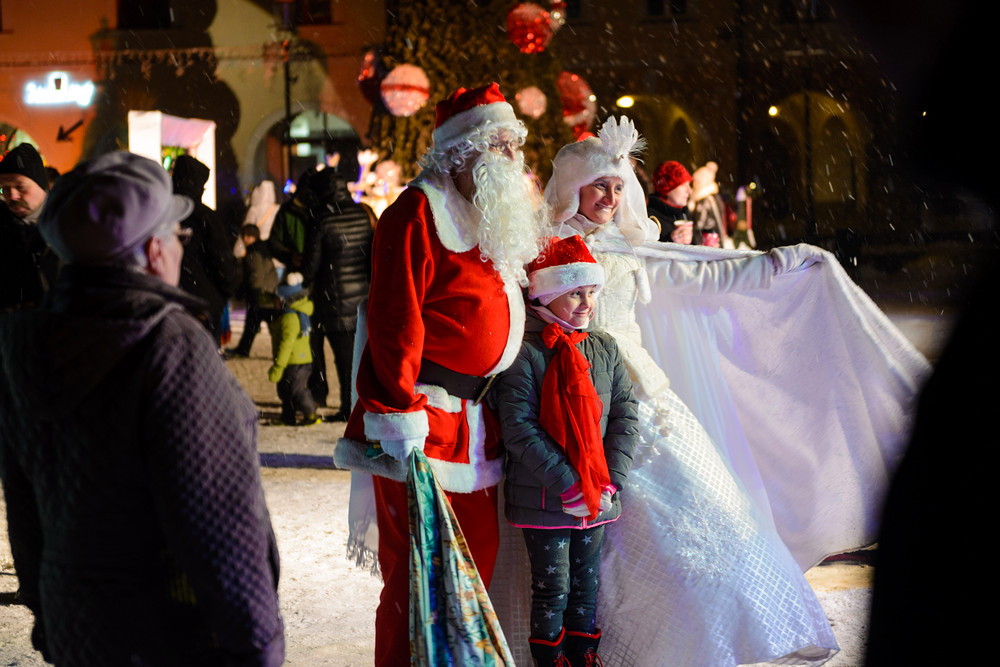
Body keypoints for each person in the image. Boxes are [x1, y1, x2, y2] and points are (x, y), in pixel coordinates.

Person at [492, 116, 929, 665]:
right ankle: (571, 647)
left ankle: (688, 641)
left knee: (698, 518)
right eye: (599, 183)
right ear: (572, 185)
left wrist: (780, 262)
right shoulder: (539, 248)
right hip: (560, 401)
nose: (610, 195)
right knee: (564, 546)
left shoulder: (629, 249)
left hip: (637, 398)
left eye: (619, 185)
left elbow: (703, 275)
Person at [0, 151, 284, 665]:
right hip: (173, 635)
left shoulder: (29, 343)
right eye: (177, 235)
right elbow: (218, 522)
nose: (181, 244)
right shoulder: (168, 346)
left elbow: (25, 510)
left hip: (80, 629)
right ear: (153, 250)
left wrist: (51, 615)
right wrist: (258, 643)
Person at [334, 82, 546, 666]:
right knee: (415, 586)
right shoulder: (416, 213)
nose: (511, 158)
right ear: (462, 151)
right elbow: (394, 320)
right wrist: (398, 417)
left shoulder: (490, 218)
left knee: (469, 573)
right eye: (498, 145)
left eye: (513, 145)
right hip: (422, 426)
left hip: (478, 427)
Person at [492, 235, 638, 665]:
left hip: (599, 495)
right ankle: (553, 660)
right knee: (552, 588)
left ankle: (584, 657)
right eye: (575, 293)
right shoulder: (526, 354)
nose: (586, 303)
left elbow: (625, 416)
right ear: (548, 294)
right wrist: (567, 484)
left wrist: (610, 479)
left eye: (591, 292)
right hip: (545, 499)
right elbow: (518, 428)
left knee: (587, 585)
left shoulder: (604, 347)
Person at [301, 167, 374, 421]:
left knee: (338, 358)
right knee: (353, 358)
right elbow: (369, 258)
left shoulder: (321, 218)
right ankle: (351, 405)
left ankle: (345, 407)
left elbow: (310, 266)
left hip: (332, 298)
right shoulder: (362, 213)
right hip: (360, 298)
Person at [172, 154, 239, 343]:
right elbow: (221, 260)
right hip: (202, 301)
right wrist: (227, 289)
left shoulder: (162, 213)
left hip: (171, 300)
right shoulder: (205, 217)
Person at [0, 143, 56, 310]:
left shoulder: (65, 223)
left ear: (42, 185)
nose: (12, 196)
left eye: (20, 187)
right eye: (4, 189)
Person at [267, 272, 320, 426]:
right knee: (285, 390)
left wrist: (278, 366)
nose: (274, 303)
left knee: (298, 390)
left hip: (295, 362)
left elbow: (286, 345)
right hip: (298, 360)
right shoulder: (292, 314)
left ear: (285, 301)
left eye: (277, 300)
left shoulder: (289, 318)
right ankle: (287, 416)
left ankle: (311, 414)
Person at [229, 223, 280, 357]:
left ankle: (244, 350)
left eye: (248, 236)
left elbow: (256, 274)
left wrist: (253, 292)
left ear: (254, 237)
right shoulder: (261, 249)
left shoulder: (254, 251)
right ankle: (244, 349)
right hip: (268, 292)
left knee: (261, 324)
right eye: (244, 235)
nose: (245, 239)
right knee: (259, 324)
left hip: (261, 294)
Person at [647, 159, 695, 244]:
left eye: (689, 185)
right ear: (667, 188)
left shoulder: (684, 213)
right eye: (683, 185)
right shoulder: (650, 218)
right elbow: (645, 252)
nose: (689, 191)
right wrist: (670, 240)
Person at [689, 161, 731, 248]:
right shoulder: (713, 197)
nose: (694, 184)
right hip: (713, 239)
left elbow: (700, 224)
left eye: (697, 181)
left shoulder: (704, 200)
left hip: (706, 241)